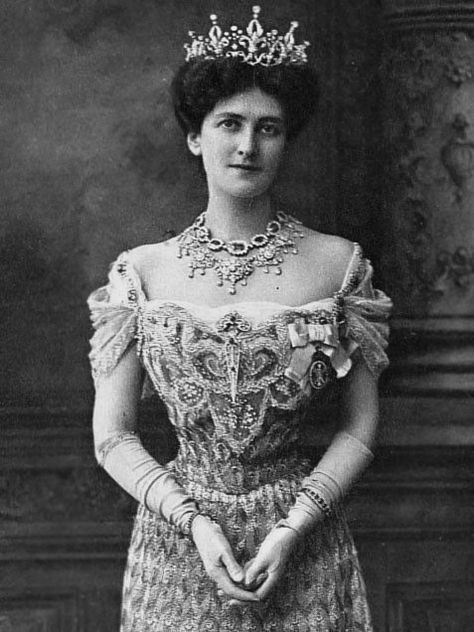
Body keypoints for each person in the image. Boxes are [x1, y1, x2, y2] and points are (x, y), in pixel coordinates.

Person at [88, 6, 392, 631]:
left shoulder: (338, 266)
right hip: (177, 540)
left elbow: (359, 428)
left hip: (302, 539)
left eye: (269, 128)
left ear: (287, 140)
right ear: (195, 136)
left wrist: (294, 526)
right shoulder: (141, 273)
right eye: (229, 123)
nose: (248, 146)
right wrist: (193, 521)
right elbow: (112, 436)